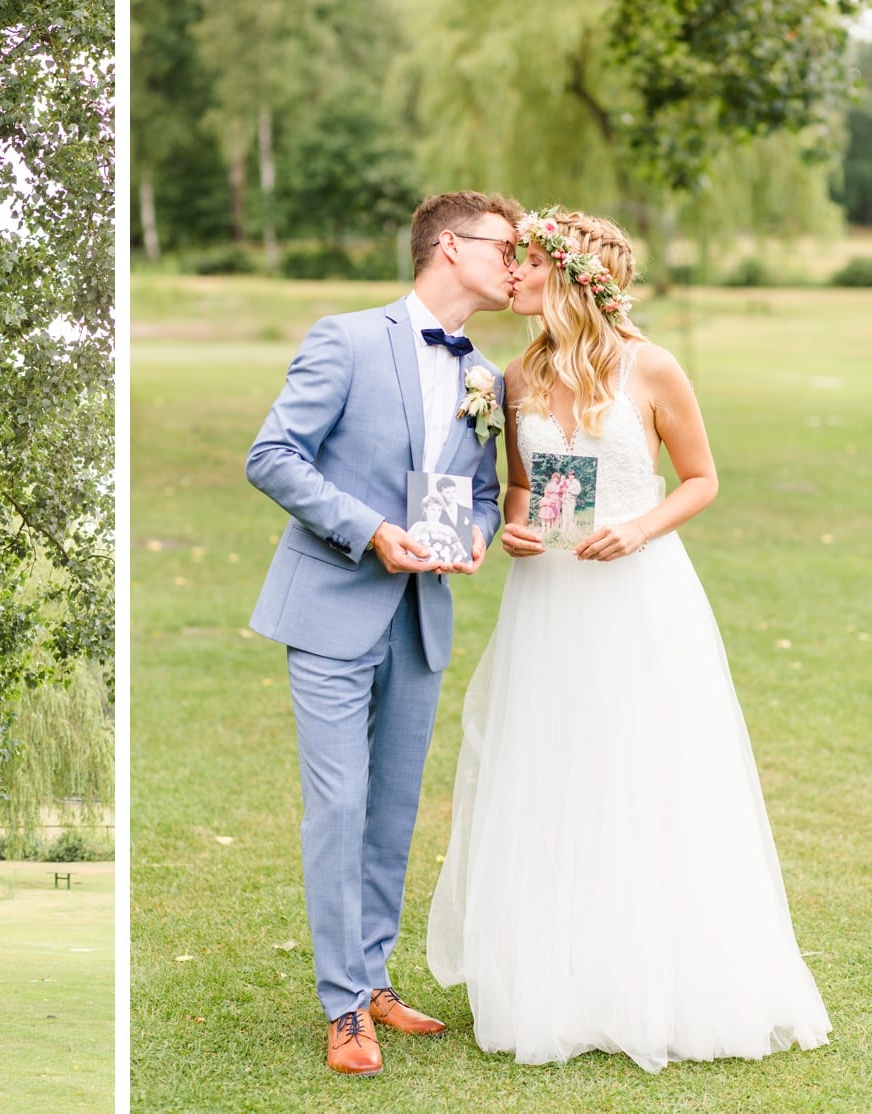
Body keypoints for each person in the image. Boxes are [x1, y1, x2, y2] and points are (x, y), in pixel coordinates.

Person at [426, 206, 831, 1072]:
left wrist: (641, 529)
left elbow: (702, 478)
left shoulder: (652, 367)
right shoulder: (515, 377)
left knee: (644, 765)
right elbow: (524, 490)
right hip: (549, 596)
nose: (513, 276)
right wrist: (516, 531)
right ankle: (559, 976)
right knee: (552, 765)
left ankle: (657, 976)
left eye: (526, 263)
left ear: (569, 276)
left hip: (637, 591)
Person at [246, 190, 521, 1076]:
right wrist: (369, 530)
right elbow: (272, 456)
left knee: (395, 810)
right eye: (503, 248)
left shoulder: (489, 375)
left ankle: (373, 980)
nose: (516, 265)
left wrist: (475, 530)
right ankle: (340, 1010)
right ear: (448, 247)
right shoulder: (348, 337)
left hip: (420, 617)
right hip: (332, 603)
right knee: (339, 804)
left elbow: (477, 490)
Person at [407, 493, 465, 566]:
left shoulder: (448, 530)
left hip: (442, 568)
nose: (436, 513)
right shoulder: (417, 526)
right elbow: (407, 547)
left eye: (439, 510)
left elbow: (459, 553)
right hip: (418, 567)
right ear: (425, 509)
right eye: (433, 509)